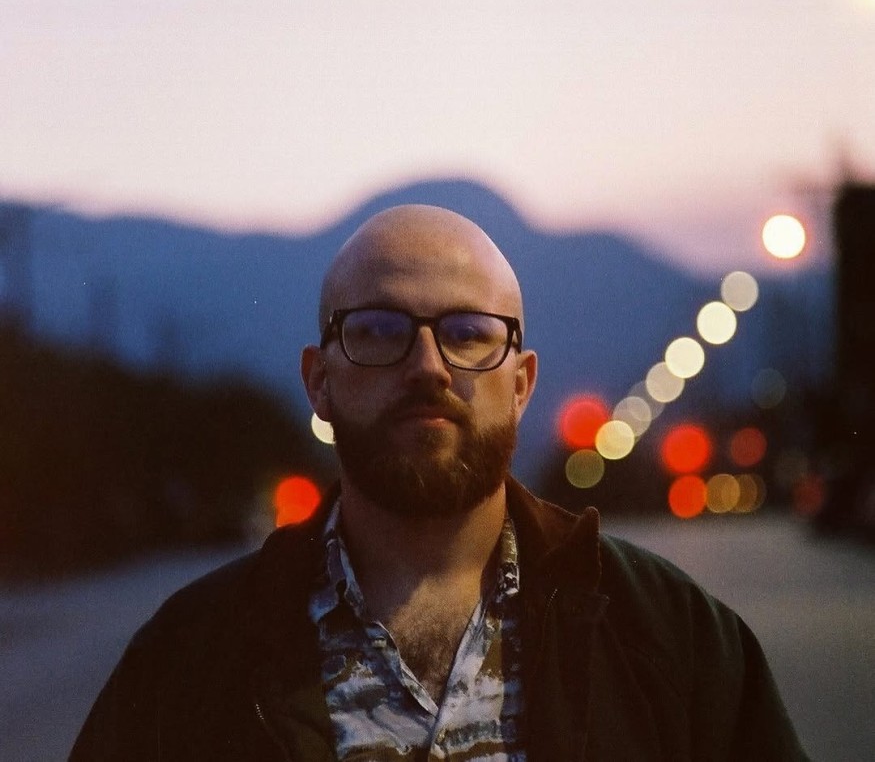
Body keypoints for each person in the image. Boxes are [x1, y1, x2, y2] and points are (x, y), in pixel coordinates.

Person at [70, 204, 809, 761]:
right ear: (318, 381)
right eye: (378, 330)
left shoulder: (674, 639)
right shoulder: (186, 658)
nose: (427, 366)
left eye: (467, 333)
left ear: (520, 384)